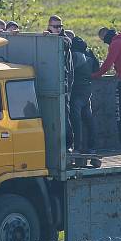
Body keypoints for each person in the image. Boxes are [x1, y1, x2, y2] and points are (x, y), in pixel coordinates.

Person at [46, 15, 74, 150]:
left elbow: (66, 43)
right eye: (55, 27)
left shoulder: (65, 39)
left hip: (64, 85)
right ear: (49, 26)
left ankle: (69, 144)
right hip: (50, 83)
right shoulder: (46, 37)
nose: (58, 29)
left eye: (60, 26)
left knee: (65, 115)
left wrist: (50, 37)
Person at [65, 31, 97, 153]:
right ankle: (92, 147)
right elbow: (96, 69)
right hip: (87, 89)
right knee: (88, 119)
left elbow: (67, 70)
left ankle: (77, 147)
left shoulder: (73, 54)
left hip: (76, 89)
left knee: (75, 120)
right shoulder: (88, 52)